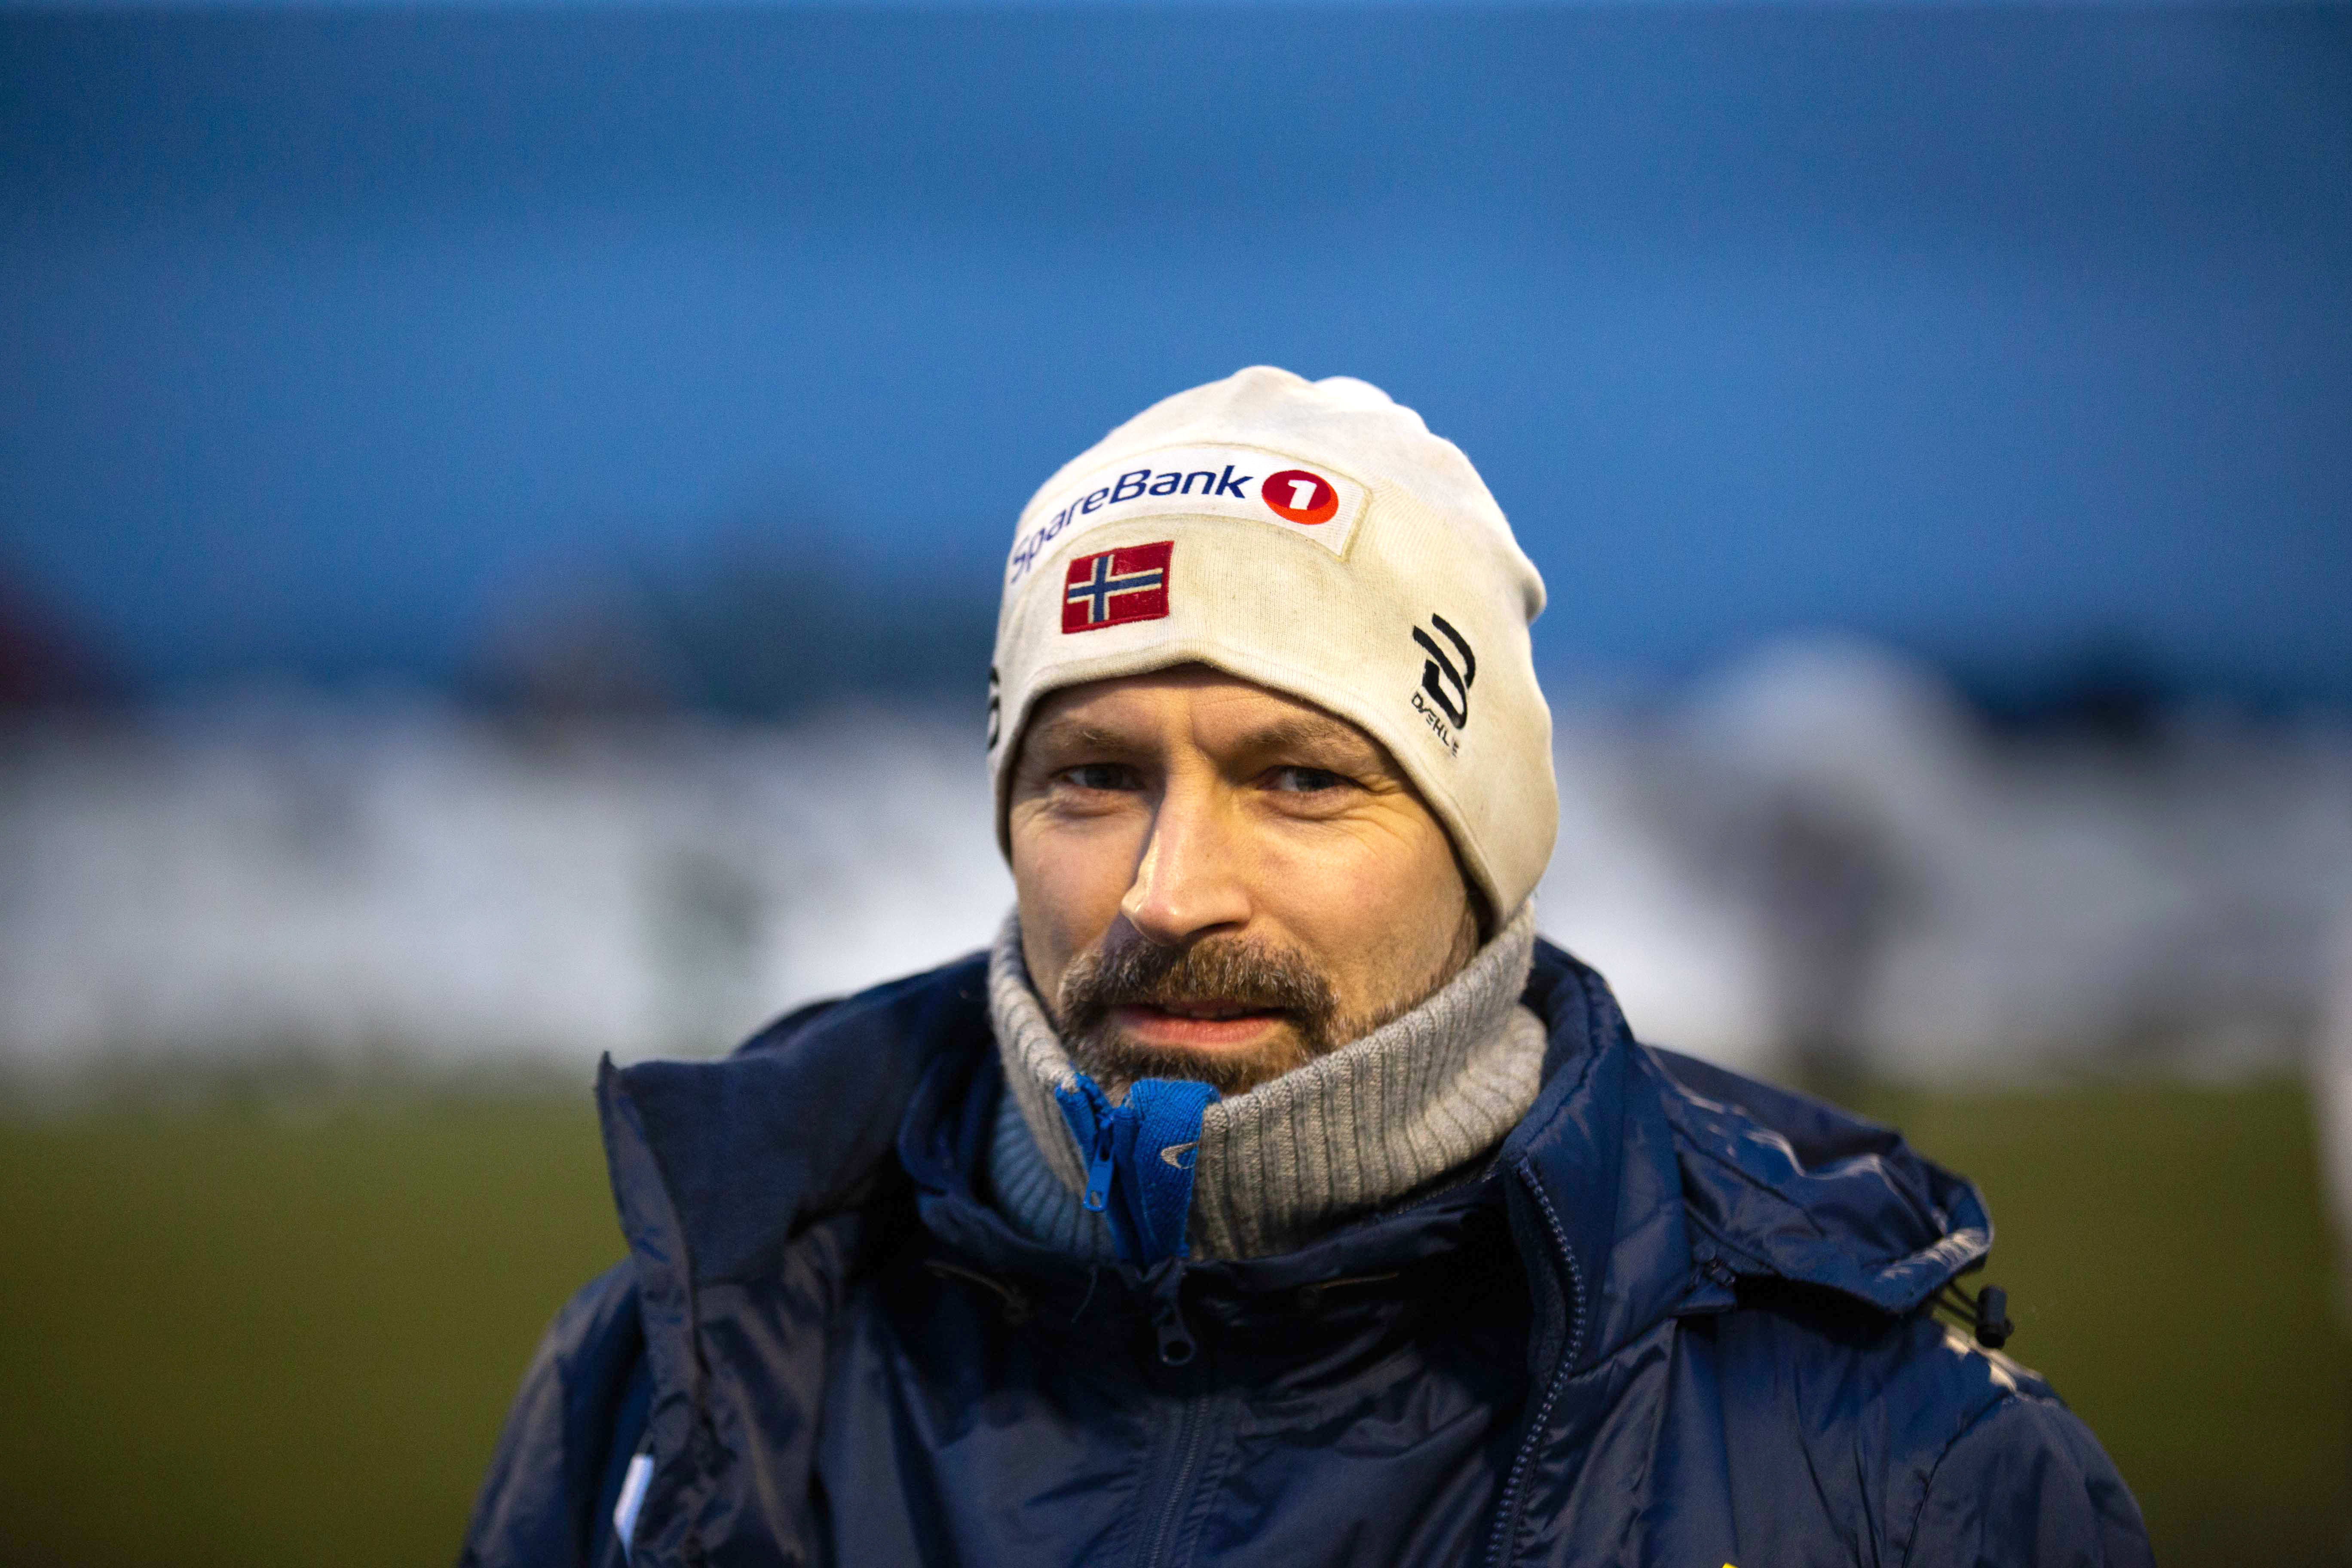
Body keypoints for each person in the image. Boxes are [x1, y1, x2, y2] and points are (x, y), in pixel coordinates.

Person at [460, 368, 2150, 1567]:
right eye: (1093, 777)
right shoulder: (682, 1383)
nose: (1170, 892)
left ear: (1484, 848)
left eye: (1301, 781)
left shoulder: (1884, 1465)